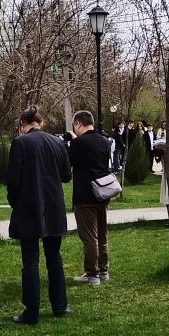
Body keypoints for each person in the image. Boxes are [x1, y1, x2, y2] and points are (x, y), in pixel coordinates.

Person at [6, 107, 72, 324]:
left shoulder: (20, 143)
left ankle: (32, 310)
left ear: (23, 123)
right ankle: (60, 305)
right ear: (40, 122)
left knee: (30, 261)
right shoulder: (57, 143)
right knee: (54, 258)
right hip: (54, 207)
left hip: (28, 208)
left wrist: (15, 202)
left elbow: (13, 180)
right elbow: (66, 175)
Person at [67, 110, 112, 286]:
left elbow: (68, 163)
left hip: (85, 195)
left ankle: (92, 273)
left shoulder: (79, 143)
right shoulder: (105, 141)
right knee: (102, 235)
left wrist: (71, 143)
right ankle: (104, 270)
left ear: (78, 124)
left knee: (89, 237)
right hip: (103, 193)